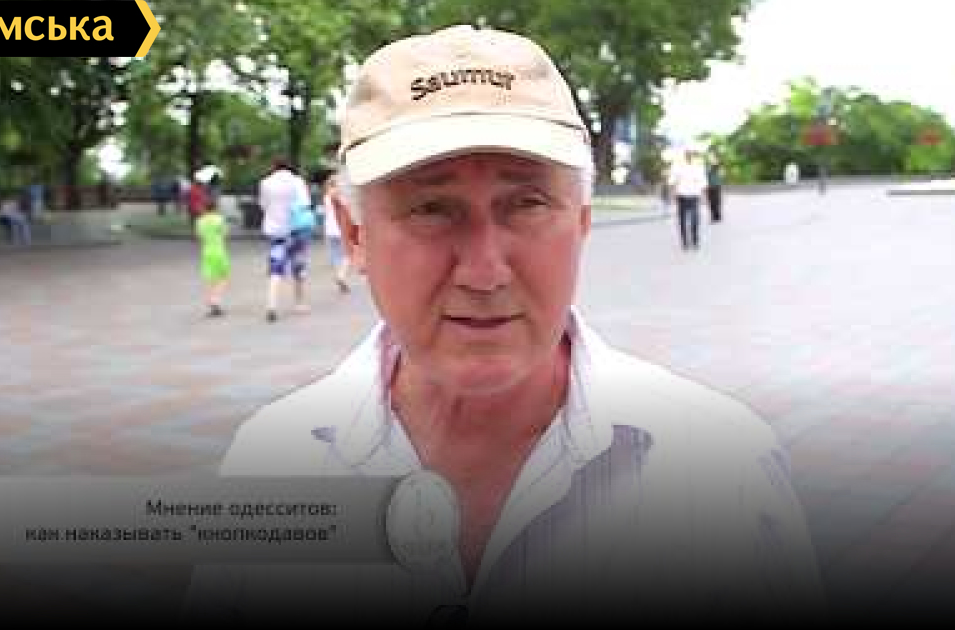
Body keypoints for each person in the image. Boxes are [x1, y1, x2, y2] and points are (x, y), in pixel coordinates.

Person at [183, 24, 824, 625]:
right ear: (354, 233)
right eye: (431, 208)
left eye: (528, 203)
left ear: (581, 221)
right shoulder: (272, 463)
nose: (484, 272)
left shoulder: (724, 471)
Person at [257, 157, 312, 322]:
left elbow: (263, 205)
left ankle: (272, 304)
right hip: (296, 229)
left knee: (276, 268)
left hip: (276, 231)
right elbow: (305, 203)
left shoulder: (266, 183)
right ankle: (299, 302)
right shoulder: (297, 181)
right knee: (298, 265)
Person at [194, 197, 230, 317]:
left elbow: (199, 235)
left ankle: (210, 300)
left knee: (210, 278)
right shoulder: (219, 219)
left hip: (206, 251)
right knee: (224, 276)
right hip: (219, 250)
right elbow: (225, 233)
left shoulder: (200, 221)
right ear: (215, 207)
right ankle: (215, 300)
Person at [667, 147, 708, 250]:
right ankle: (684, 241)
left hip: (694, 195)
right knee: (682, 219)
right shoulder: (677, 165)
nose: (689, 154)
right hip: (681, 195)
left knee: (695, 218)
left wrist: (704, 196)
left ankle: (695, 240)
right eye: (687, 153)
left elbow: (703, 181)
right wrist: (672, 194)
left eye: (691, 153)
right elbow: (672, 181)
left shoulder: (698, 166)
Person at [319, 171, 352, 294]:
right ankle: (341, 276)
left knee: (335, 256)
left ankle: (339, 275)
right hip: (340, 228)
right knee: (348, 254)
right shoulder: (339, 195)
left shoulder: (326, 197)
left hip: (329, 229)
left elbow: (324, 212)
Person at [705, 152, 723, 223]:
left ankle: (717, 216)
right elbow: (706, 173)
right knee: (711, 201)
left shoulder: (717, 166)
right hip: (709, 185)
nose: (711, 159)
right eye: (710, 157)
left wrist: (715, 164)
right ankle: (713, 216)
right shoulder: (707, 166)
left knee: (716, 201)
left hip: (716, 185)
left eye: (712, 157)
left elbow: (721, 174)